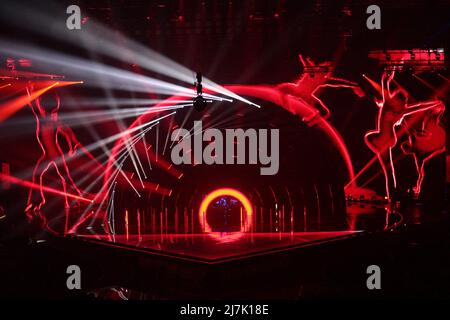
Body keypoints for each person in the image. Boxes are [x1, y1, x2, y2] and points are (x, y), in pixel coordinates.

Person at [364, 70, 442, 200]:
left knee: (387, 168)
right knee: (389, 171)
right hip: (388, 140)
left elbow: (386, 89)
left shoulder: (390, 106)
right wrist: (434, 103)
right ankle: (391, 196)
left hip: (383, 139)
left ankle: (391, 196)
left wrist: (386, 79)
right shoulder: (402, 110)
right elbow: (420, 106)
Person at [25, 83, 82, 215]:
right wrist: (31, 90)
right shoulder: (44, 119)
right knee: (39, 176)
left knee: (64, 178)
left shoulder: (50, 120)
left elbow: (67, 132)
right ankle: (38, 202)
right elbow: (33, 105)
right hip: (47, 154)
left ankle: (73, 200)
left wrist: (72, 146)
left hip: (55, 154)